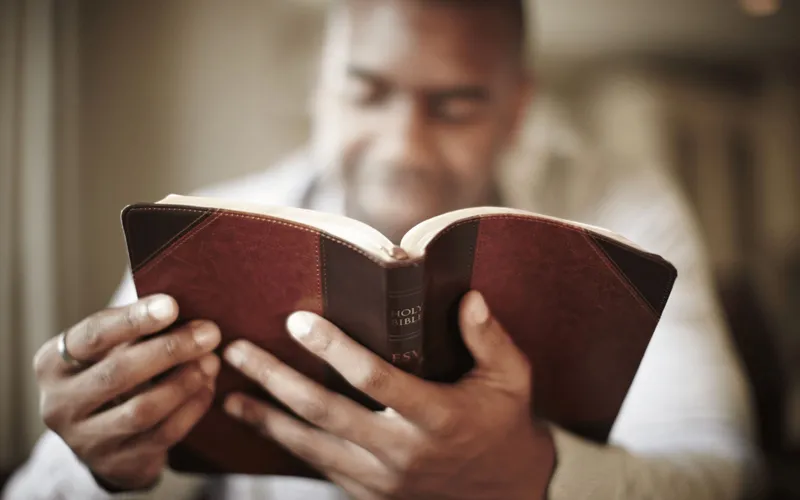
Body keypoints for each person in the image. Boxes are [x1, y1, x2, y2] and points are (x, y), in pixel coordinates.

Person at [3, 0, 761, 499]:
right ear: (320, 87)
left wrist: (530, 474)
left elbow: (726, 473)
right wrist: (96, 461)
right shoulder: (205, 229)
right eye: (365, 93)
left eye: (456, 105)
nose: (403, 148)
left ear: (517, 107)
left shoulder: (627, 208)